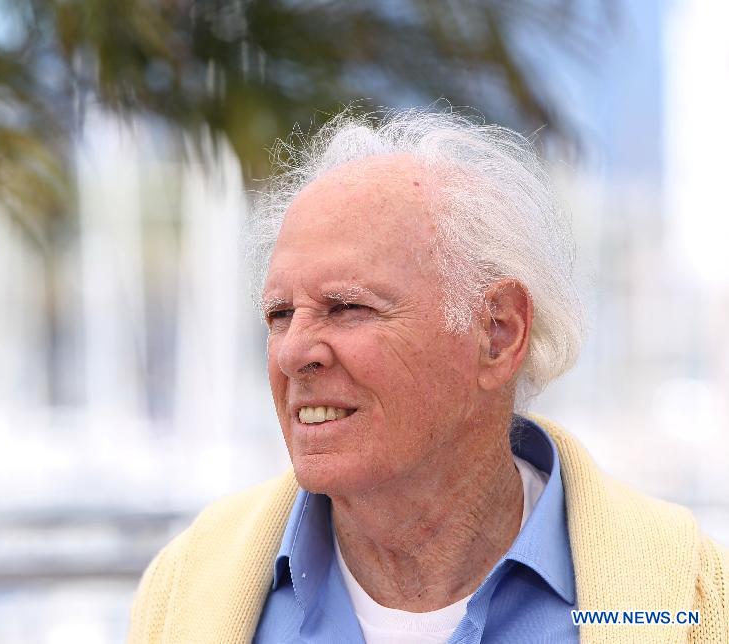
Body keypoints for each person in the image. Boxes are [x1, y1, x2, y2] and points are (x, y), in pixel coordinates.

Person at [129, 110, 728, 643]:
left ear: (498, 333)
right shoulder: (185, 592)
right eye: (279, 315)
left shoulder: (692, 602)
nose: (294, 353)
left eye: (347, 307)